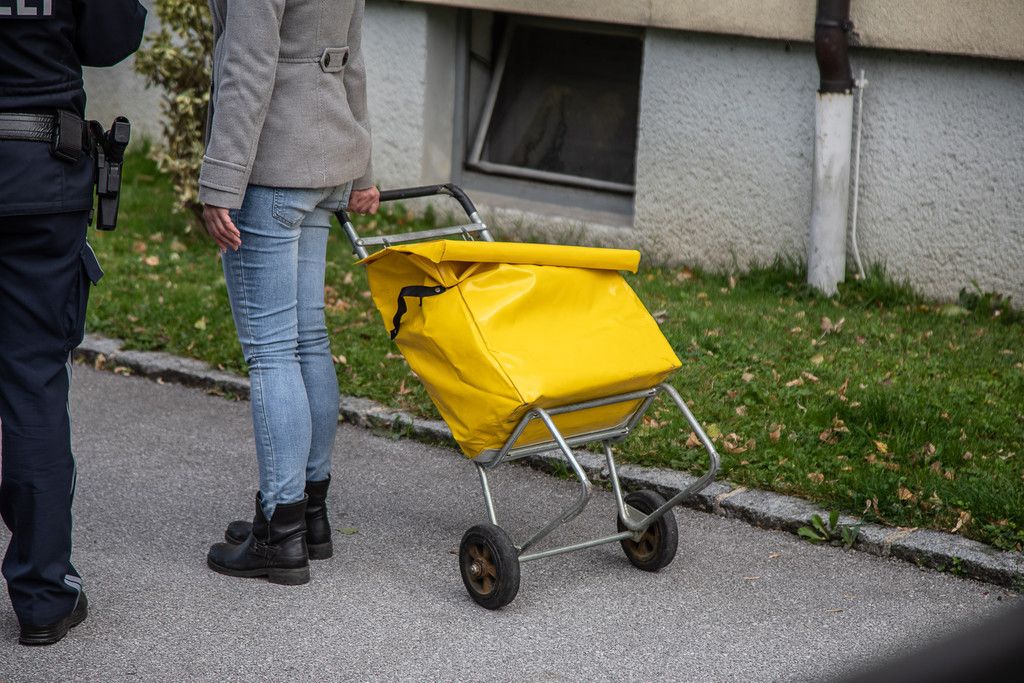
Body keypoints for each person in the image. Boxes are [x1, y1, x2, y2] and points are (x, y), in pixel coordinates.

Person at [200, 0, 379, 586]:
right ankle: (310, 517)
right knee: (308, 339)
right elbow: (351, 60)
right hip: (327, 160)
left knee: (273, 351)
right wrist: (363, 169)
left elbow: (248, 63)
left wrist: (220, 181)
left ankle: (280, 534)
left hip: (274, 163)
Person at [0, 0, 147, 646]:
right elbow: (114, 36)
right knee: (32, 380)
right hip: (40, 176)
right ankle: (42, 595)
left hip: (40, 175)